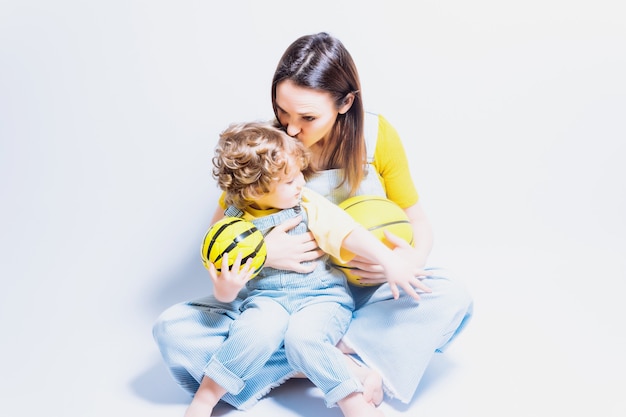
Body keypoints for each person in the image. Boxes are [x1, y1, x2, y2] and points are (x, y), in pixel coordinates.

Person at [153, 32, 473, 411]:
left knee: (451, 295)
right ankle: (331, 360)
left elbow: (417, 219)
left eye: (307, 117)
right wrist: (264, 253)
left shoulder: (377, 135)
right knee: (173, 329)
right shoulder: (263, 149)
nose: (290, 128)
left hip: (352, 293)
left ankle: (305, 352)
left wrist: (404, 266)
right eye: (282, 111)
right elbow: (219, 239)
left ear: (345, 102)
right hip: (274, 297)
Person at [185, 121, 432, 417]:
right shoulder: (233, 221)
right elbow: (225, 283)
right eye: (290, 181)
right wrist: (227, 288)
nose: (302, 182)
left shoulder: (306, 203)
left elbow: (349, 232)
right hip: (267, 300)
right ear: (254, 190)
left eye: (300, 173)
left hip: (322, 296)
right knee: (251, 334)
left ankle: (352, 401)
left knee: (303, 339)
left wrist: (391, 262)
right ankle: (205, 398)